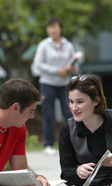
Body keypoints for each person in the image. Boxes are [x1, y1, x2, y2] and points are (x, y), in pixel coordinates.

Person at [32, 17, 78, 156]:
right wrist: (56, 70)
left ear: (61, 28)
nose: (53, 30)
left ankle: (73, 142)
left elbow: (76, 66)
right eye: (50, 27)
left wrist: (71, 68)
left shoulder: (69, 45)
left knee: (69, 112)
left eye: (55, 27)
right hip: (47, 83)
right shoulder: (43, 45)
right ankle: (49, 144)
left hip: (65, 84)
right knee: (49, 114)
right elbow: (38, 64)